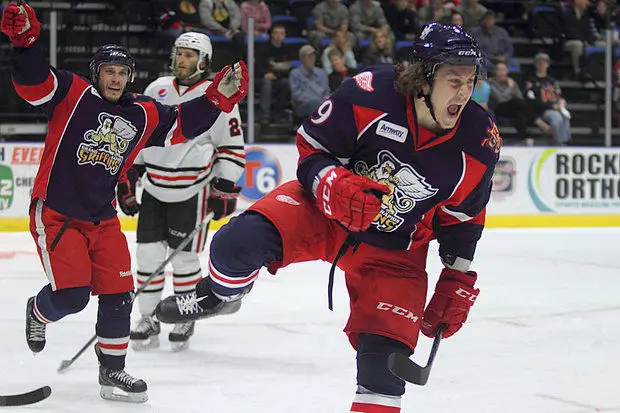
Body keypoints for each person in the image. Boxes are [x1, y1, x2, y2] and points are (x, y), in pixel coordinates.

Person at [156, 23, 499, 412]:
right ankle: (219, 295)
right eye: (454, 80)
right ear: (423, 78)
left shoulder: (479, 139)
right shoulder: (370, 91)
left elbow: (464, 219)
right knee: (235, 244)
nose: (464, 92)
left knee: (385, 372)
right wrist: (331, 182)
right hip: (325, 213)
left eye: (470, 81)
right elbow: (312, 148)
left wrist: (457, 277)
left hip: (395, 254)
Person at [0, 1, 248, 403]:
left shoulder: (143, 112)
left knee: (119, 295)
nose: (115, 79)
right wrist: (26, 44)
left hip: (102, 220)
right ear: (95, 73)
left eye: (122, 73)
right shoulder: (72, 93)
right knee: (72, 297)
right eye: (108, 72)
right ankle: (38, 311)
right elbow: (33, 85)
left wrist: (217, 102)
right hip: (58, 214)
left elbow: (183, 125)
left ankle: (112, 372)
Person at [119, 32, 245, 353]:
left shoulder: (218, 94)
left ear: (203, 61)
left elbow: (230, 146)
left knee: (185, 258)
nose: (181, 60)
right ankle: (147, 317)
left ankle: (185, 315)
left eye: (189, 55)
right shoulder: (156, 89)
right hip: (155, 189)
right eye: (179, 54)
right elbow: (141, 134)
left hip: (192, 191)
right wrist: (129, 173)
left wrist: (226, 186)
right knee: (147, 257)